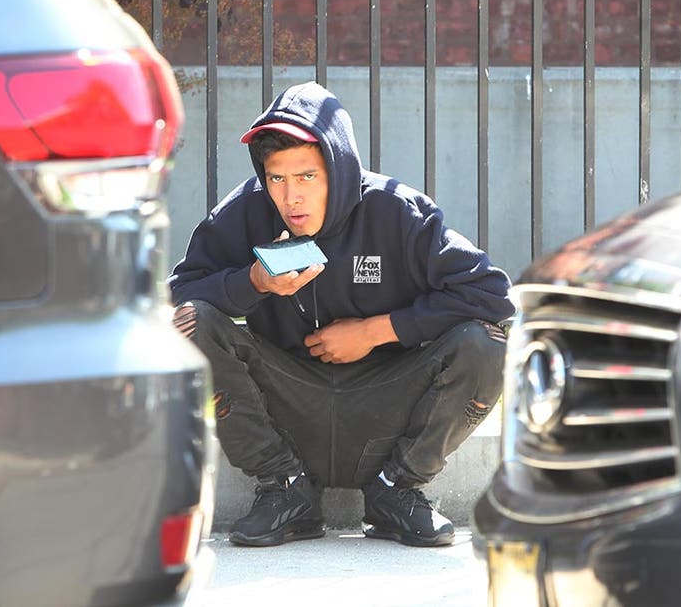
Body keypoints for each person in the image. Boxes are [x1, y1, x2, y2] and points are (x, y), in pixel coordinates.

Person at [169, 81, 512, 547]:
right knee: (190, 322)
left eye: (307, 176)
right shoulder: (245, 211)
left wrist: (378, 331)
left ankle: (398, 491)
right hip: (288, 406)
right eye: (277, 178)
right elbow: (182, 294)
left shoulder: (397, 213)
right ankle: (285, 491)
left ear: (338, 168)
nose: (290, 197)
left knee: (486, 342)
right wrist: (253, 282)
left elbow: (491, 293)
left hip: (386, 402)